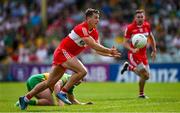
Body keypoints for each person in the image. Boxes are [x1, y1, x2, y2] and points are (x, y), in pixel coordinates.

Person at [19, 8, 121, 110]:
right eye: (95, 18)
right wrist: (109, 50)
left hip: (65, 54)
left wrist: (110, 55)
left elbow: (97, 49)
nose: (98, 20)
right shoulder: (82, 28)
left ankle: (25, 98)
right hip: (63, 52)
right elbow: (93, 45)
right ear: (88, 18)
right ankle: (63, 92)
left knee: (49, 83)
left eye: (98, 18)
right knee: (82, 71)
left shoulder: (94, 32)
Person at [121, 9, 157, 98]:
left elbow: (151, 37)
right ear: (135, 18)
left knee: (146, 77)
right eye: (138, 17)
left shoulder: (147, 25)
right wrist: (132, 50)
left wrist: (154, 49)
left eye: (142, 17)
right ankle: (130, 67)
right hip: (134, 55)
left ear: (144, 17)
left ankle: (141, 94)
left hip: (143, 55)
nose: (140, 18)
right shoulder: (130, 28)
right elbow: (124, 43)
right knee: (145, 74)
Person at [16, 73, 93, 106]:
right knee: (50, 102)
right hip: (37, 81)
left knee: (47, 102)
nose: (80, 81)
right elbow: (56, 85)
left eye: (82, 79)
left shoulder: (71, 84)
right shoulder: (66, 77)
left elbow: (72, 100)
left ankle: (23, 101)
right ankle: (24, 101)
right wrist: (60, 102)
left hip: (34, 80)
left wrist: (84, 104)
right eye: (79, 78)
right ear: (74, 75)